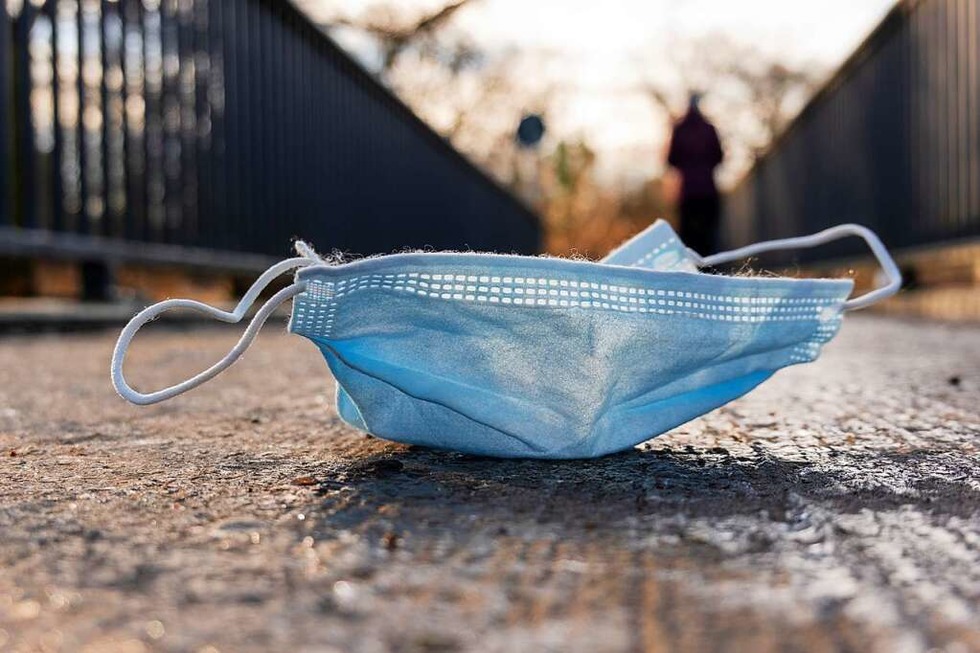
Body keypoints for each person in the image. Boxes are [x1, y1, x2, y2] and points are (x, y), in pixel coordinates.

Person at [666, 92, 724, 255]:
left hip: (687, 192)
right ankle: (709, 272)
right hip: (708, 190)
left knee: (688, 236)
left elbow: (671, 160)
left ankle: (691, 272)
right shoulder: (709, 128)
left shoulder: (680, 129)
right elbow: (719, 157)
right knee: (709, 234)